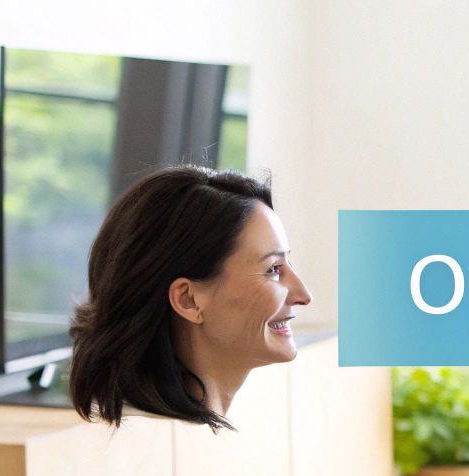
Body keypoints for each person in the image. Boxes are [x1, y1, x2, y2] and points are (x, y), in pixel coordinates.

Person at [68, 164, 313, 430]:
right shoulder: (151, 451)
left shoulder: (181, 439)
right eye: (273, 269)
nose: (303, 295)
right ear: (188, 300)